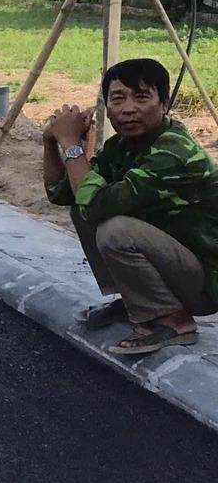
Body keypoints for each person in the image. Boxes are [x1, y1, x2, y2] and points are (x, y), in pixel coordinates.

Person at [44, 56, 218, 358]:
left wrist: (71, 144)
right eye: (118, 99)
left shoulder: (174, 152)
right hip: (180, 265)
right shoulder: (121, 147)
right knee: (82, 207)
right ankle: (135, 301)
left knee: (115, 230)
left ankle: (174, 321)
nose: (128, 108)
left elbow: (95, 204)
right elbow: (62, 194)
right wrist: (51, 141)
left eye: (141, 97)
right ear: (107, 107)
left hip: (207, 279)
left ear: (164, 104)